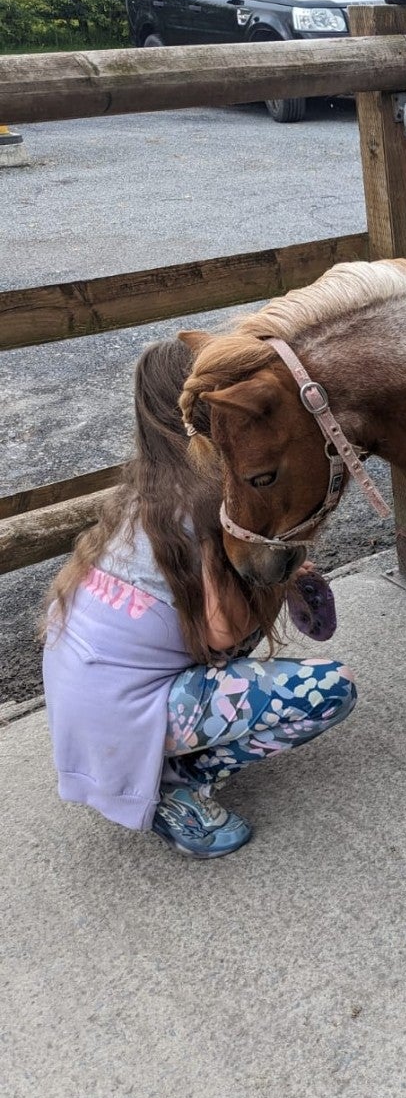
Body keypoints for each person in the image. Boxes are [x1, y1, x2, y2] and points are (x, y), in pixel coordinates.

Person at [41, 339, 356, 858]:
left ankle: (161, 758)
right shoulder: (208, 502)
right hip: (130, 713)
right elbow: (224, 632)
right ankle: (176, 787)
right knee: (330, 688)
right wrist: (277, 577)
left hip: (87, 709)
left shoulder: (145, 491)